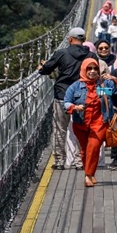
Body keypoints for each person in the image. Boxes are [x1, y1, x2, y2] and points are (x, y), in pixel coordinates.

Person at [37, 27, 93, 169]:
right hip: (83, 98)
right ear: (84, 41)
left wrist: (42, 68)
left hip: (62, 95)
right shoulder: (91, 56)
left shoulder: (61, 53)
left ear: (70, 39)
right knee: (81, 129)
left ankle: (59, 162)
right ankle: (80, 162)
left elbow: (46, 70)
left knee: (60, 129)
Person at [64, 58, 117, 187]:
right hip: (81, 124)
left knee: (94, 147)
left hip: (100, 123)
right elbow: (66, 101)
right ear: (84, 70)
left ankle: (88, 175)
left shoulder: (101, 86)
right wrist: (74, 107)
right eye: (89, 68)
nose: (92, 71)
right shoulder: (75, 87)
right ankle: (90, 173)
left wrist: (114, 79)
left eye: (95, 69)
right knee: (85, 150)